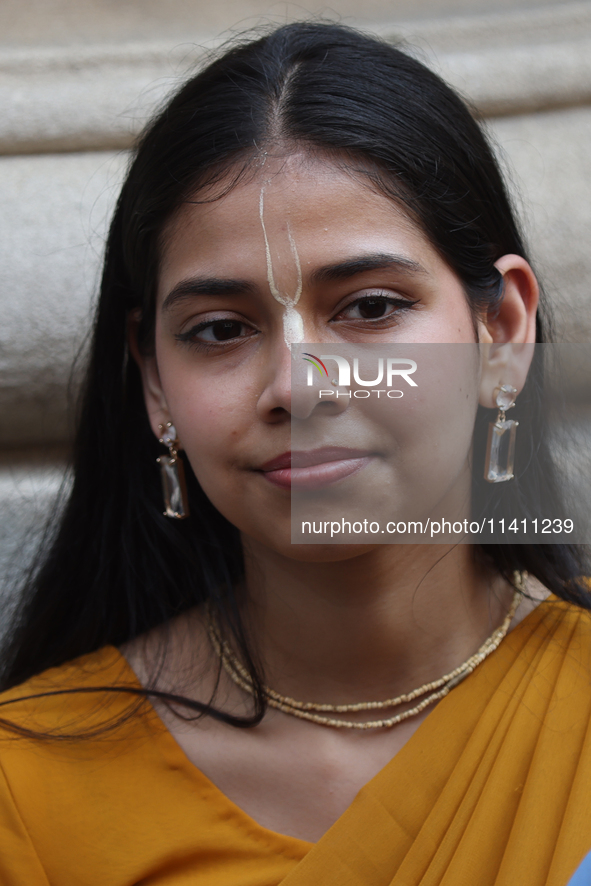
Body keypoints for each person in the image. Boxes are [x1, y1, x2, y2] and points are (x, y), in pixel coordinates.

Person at [0, 21, 590, 886]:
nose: (299, 387)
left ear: (500, 333)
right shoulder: (31, 785)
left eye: (369, 307)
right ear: (154, 381)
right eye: (220, 330)